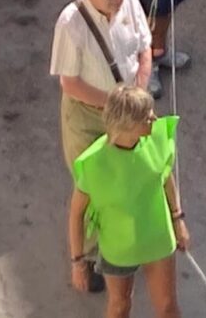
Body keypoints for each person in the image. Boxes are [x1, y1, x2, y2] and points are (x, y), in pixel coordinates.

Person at [66, 86, 187, 316]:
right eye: (146, 116)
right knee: (119, 306)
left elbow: (165, 176)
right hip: (117, 249)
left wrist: (178, 219)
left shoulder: (156, 140)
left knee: (168, 307)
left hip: (157, 239)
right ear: (128, 124)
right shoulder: (94, 164)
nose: (154, 117)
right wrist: (78, 262)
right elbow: (76, 214)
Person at [51, 0, 154, 170]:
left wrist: (138, 96)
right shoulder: (70, 23)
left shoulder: (131, 2)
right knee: (92, 179)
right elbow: (70, 83)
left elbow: (145, 50)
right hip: (88, 117)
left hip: (130, 111)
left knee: (134, 171)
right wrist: (115, 104)